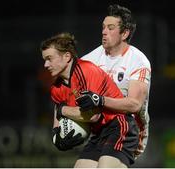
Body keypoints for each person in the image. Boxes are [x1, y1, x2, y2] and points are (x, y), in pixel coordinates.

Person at [59, 4, 151, 168]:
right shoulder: (89, 61)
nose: (104, 32)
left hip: (128, 128)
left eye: (110, 28)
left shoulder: (138, 61)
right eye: (103, 27)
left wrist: (99, 100)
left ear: (125, 33)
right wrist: (59, 121)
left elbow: (134, 105)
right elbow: (65, 94)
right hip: (100, 129)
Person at [40, 32, 139, 168]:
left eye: (49, 58)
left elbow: (93, 115)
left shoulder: (86, 70)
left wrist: (63, 110)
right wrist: (56, 133)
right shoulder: (56, 88)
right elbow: (57, 109)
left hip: (119, 126)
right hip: (98, 133)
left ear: (67, 56)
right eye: (44, 59)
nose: (46, 64)